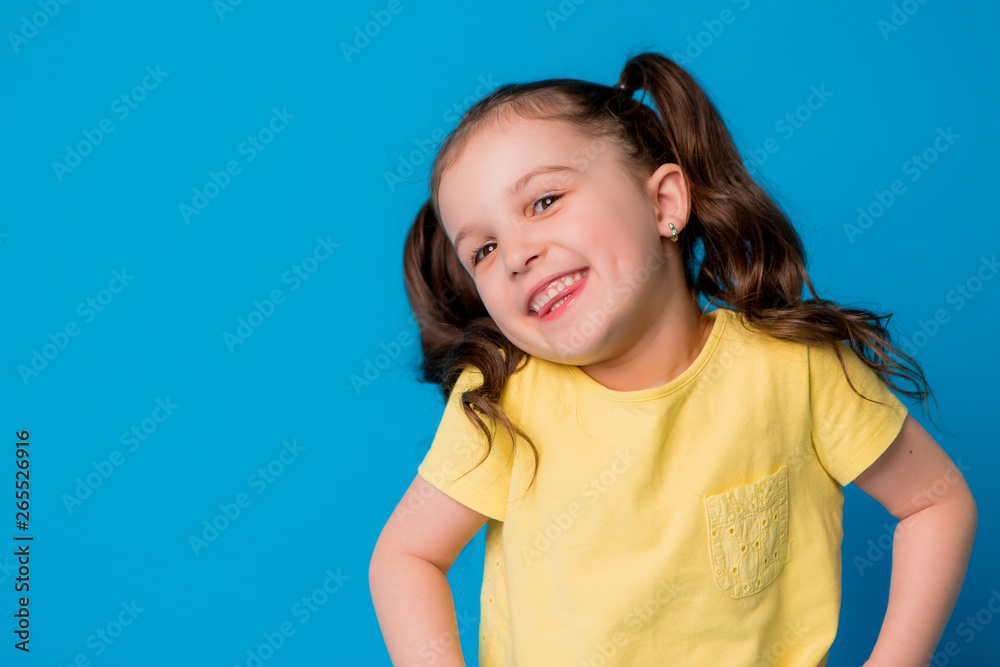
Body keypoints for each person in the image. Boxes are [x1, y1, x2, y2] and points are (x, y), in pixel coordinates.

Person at [368, 52, 978, 666]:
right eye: (483, 249)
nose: (515, 255)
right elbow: (406, 556)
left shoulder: (799, 372)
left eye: (545, 201)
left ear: (664, 203)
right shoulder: (503, 396)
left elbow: (936, 501)